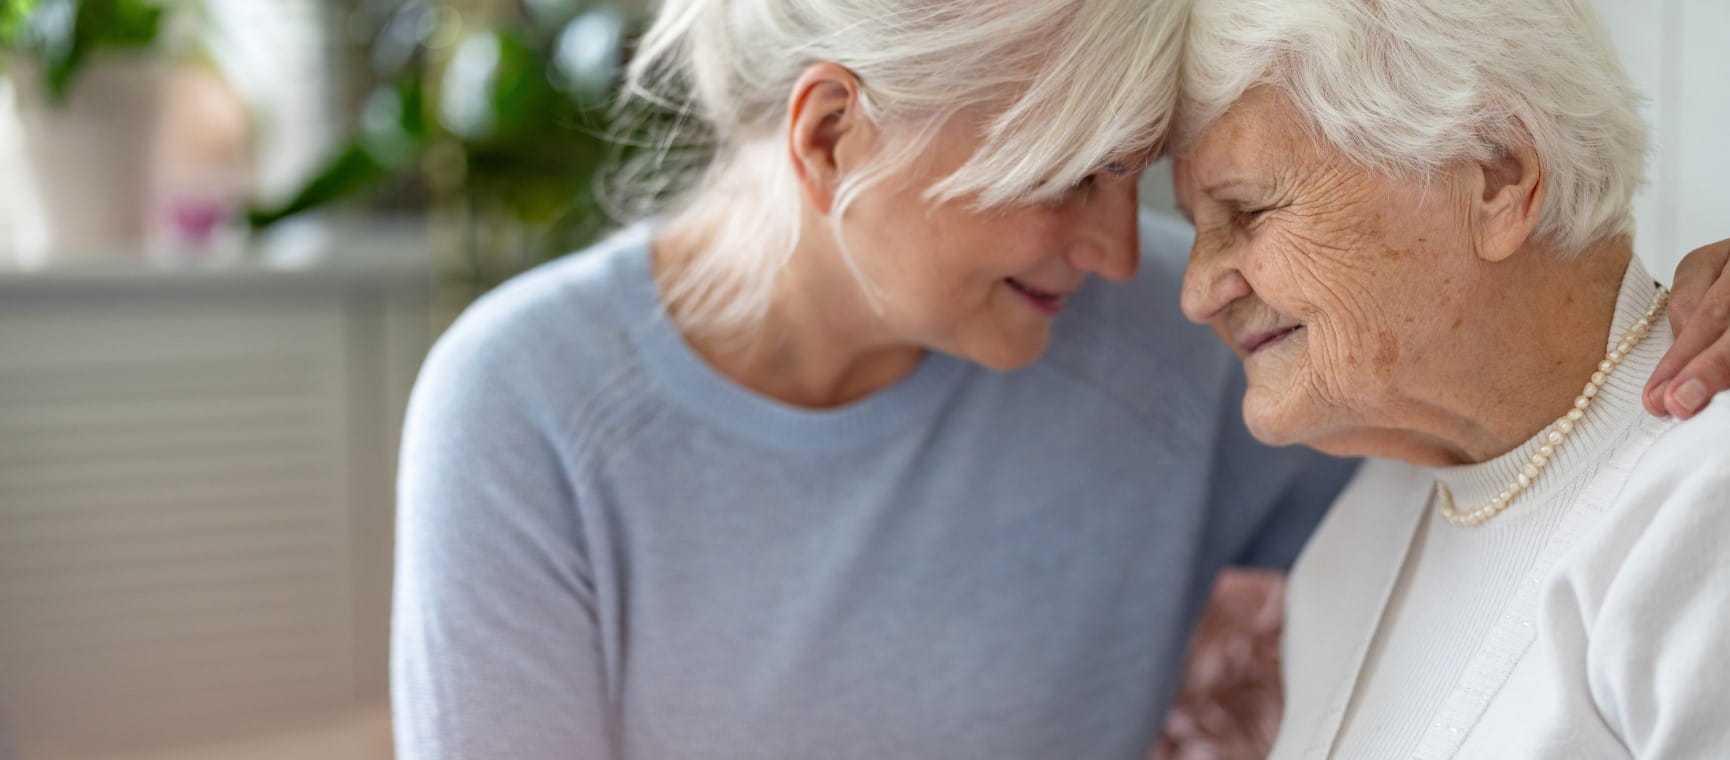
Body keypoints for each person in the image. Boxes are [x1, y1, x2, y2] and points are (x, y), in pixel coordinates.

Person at [391, 0, 1730, 758]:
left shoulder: (1171, 339)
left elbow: (1523, 401)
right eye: (1058, 177)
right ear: (830, 137)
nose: (1117, 250)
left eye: (1134, 178)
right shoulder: (524, 412)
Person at [1173, 0, 1730, 756]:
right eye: (1194, 226)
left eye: (1248, 211)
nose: (1198, 291)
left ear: (1498, 178)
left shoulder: (1704, 498)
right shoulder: (1356, 535)